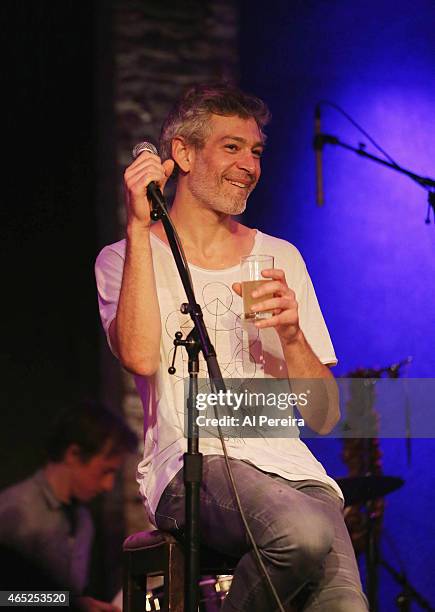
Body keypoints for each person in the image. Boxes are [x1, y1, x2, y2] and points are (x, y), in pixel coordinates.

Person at [95, 83, 368, 611]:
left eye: (256, 151)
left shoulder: (280, 257)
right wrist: (136, 225)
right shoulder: (123, 257)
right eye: (232, 147)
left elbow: (326, 416)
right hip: (191, 465)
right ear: (183, 152)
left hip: (294, 472)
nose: (250, 164)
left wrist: (291, 335)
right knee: (301, 535)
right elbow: (137, 355)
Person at [0, 401, 137, 612]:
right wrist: (70, 602)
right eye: (105, 471)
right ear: (73, 454)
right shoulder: (16, 510)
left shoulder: (82, 518)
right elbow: (7, 598)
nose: (108, 485)